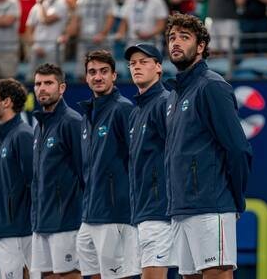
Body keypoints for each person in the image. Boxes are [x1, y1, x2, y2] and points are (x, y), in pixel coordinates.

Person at [164, 13, 253, 278]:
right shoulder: (173, 96)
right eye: (171, 38)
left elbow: (238, 149)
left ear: (201, 46)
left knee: (217, 274)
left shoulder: (212, 87)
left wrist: (234, 199)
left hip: (211, 205)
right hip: (181, 207)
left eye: (184, 37)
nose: (176, 43)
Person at [76, 50, 141, 279]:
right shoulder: (86, 116)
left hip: (116, 213)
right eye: (92, 72)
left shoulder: (124, 109)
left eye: (104, 72)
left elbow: (137, 159)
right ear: (86, 78)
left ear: (114, 75)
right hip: (89, 214)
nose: (98, 77)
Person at [124, 43, 174, 279]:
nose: (137, 67)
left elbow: (175, 155)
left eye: (144, 62)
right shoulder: (135, 112)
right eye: (133, 63)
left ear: (158, 67)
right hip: (141, 211)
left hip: (160, 209)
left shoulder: (165, 102)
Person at [30, 63, 83, 279]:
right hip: (42, 220)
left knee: (69, 275)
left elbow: (84, 172)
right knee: (48, 275)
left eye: (48, 83)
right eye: (38, 84)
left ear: (62, 88)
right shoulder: (39, 127)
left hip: (67, 220)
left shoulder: (72, 122)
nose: (42, 88)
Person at [0, 78, 34, 279]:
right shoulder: (0, 138)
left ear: (7, 102)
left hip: (19, 230)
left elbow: (34, 183)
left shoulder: (23, 135)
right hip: (2, 229)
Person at [66, 0, 117, 78]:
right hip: (84, 42)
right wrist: (68, 35)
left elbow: (111, 17)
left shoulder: (108, 0)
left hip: (102, 43)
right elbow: (77, 18)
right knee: (83, 73)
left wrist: (102, 34)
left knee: (104, 73)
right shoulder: (81, 0)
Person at [25, 0, 71, 77]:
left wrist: (40, 5)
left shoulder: (62, 4)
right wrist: (34, 46)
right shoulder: (36, 7)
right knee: (33, 78)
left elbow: (45, 19)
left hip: (54, 50)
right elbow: (29, 28)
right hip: (36, 50)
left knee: (53, 78)